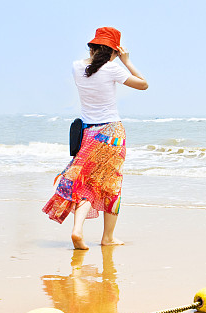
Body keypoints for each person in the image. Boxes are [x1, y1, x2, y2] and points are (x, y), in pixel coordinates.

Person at [43, 27, 148, 249]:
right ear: (114, 51)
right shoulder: (113, 69)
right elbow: (143, 84)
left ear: (91, 46)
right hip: (112, 134)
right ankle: (107, 238)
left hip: (88, 133)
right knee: (111, 184)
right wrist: (126, 61)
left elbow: (90, 65)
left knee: (85, 183)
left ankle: (77, 229)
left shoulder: (76, 67)